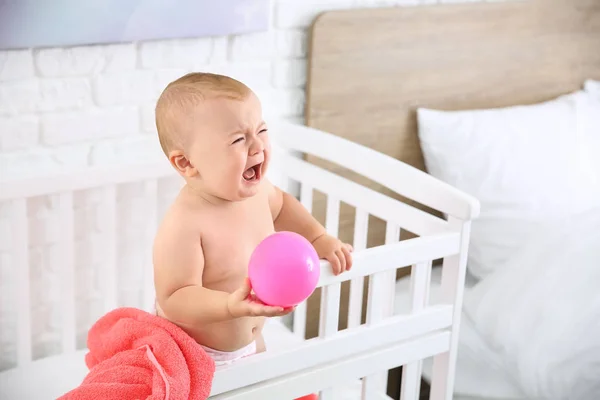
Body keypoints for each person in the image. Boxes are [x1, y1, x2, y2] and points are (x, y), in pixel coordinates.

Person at [152, 72, 353, 374]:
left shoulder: (258, 192)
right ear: (187, 163)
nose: (257, 146)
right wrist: (229, 307)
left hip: (251, 346)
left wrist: (318, 238)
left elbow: (283, 205)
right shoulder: (185, 224)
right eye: (238, 139)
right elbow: (175, 297)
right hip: (199, 356)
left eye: (261, 130)